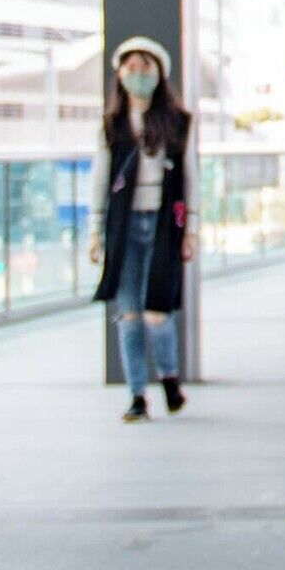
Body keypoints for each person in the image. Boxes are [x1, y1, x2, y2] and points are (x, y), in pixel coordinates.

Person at [90, 36, 193, 418]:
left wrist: (192, 230)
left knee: (157, 312)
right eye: (130, 67)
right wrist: (95, 232)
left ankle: (169, 378)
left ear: (159, 73)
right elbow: (99, 181)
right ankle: (137, 394)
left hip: (163, 223)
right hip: (124, 226)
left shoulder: (177, 123)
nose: (137, 74)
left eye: (144, 66)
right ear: (119, 74)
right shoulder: (111, 125)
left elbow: (189, 178)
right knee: (129, 314)